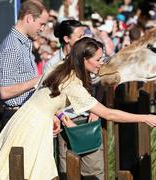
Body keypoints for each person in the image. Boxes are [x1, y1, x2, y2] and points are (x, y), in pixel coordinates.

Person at [0, 37, 156, 180]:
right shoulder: (73, 84)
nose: (101, 62)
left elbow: (42, 94)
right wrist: (144, 118)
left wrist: (55, 115)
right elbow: (108, 113)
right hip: (32, 126)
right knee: (25, 172)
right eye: (98, 59)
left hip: (26, 118)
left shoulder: (61, 66)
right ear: (84, 60)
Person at [43, 19, 103, 179]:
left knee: (94, 172)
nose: (85, 38)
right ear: (67, 39)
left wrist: (96, 107)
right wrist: (62, 118)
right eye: (80, 35)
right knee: (69, 172)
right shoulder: (53, 65)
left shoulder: (89, 56)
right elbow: (48, 98)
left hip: (88, 120)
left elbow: (101, 83)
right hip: (67, 124)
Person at [0, 0, 49, 129]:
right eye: (41, 24)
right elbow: (5, 91)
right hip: (16, 118)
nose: (42, 29)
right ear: (29, 18)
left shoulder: (23, 43)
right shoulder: (12, 46)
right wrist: (38, 80)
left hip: (25, 114)